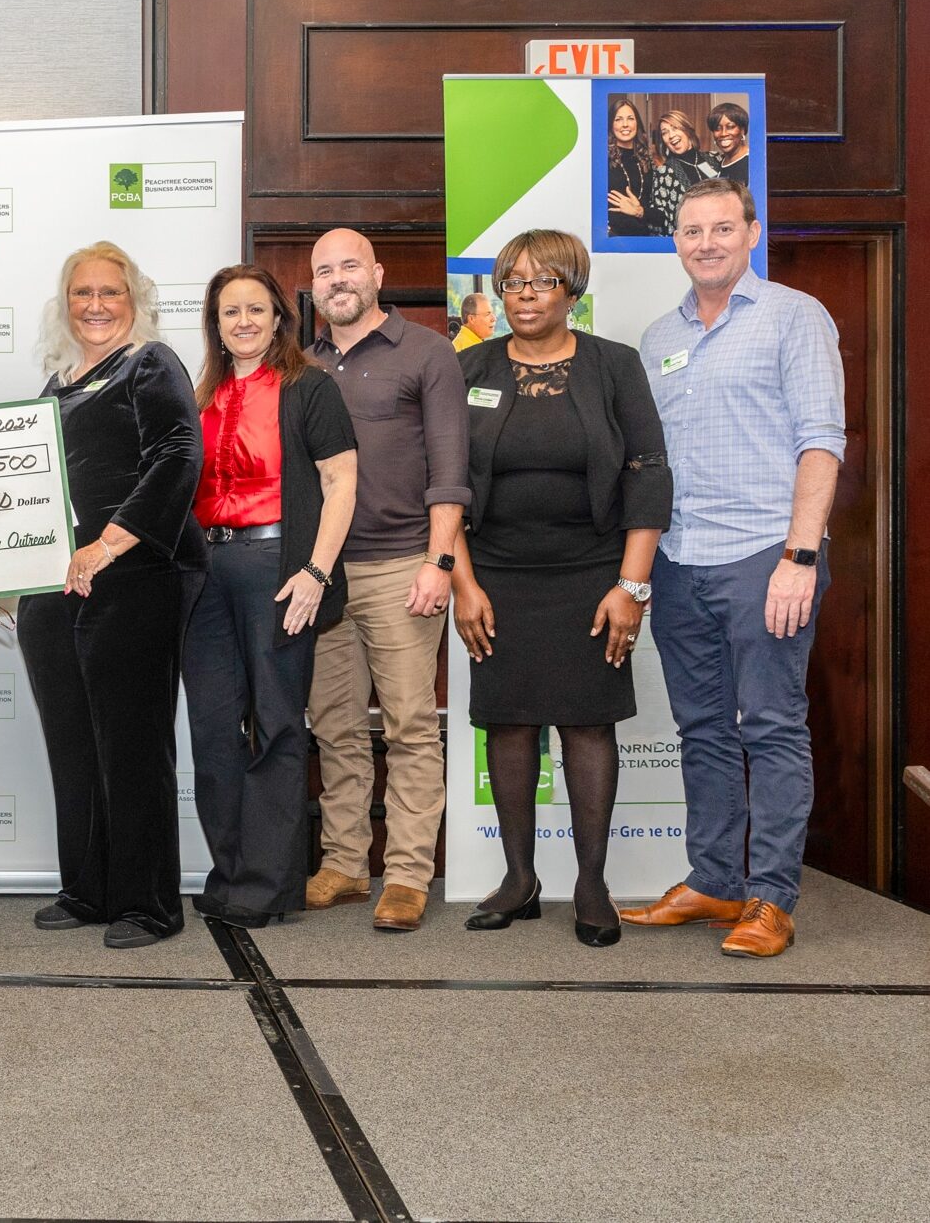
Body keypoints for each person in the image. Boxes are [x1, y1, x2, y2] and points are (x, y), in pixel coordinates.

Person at [624, 179, 843, 957]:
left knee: (773, 726)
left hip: (764, 556)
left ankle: (771, 896)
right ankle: (715, 877)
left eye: (722, 227)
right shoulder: (658, 336)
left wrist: (799, 554)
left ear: (750, 233)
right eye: (690, 229)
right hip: (681, 560)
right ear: (674, 241)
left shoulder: (792, 316)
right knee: (703, 730)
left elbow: (821, 439)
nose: (706, 241)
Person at [450, 230, 671, 947]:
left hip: (591, 575)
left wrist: (629, 586)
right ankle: (519, 879)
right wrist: (463, 584)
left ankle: (591, 882)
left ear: (571, 291)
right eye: (511, 283)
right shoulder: (470, 367)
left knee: (585, 722)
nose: (523, 295)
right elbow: (446, 484)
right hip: (497, 575)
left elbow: (647, 470)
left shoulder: (613, 365)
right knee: (507, 722)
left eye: (540, 282)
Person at [17, 241, 205, 949]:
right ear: (64, 303)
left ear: (134, 301)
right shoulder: (57, 380)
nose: (94, 305)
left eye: (110, 292)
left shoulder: (150, 364)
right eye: (81, 293)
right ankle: (88, 887)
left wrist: (108, 542)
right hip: (56, 589)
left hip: (131, 579)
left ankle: (148, 902)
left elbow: (177, 456)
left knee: (131, 744)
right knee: (72, 743)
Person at [303, 228, 470, 932]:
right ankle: (344, 863)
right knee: (334, 726)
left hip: (403, 563)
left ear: (375, 272)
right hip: (322, 576)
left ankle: (405, 872)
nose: (337, 279)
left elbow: (450, 467)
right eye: (323, 271)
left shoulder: (427, 351)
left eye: (348, 266)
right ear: (311, 287)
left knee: (407, 726)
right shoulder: (300, 363)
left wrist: (440, 561)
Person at [181, 264, 356, 928]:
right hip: (203, 570)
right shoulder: (201, 395)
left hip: (277, 567)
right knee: (212, 729)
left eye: (256, 308)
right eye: (230, 311)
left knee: (278, 724)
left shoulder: (309, 388)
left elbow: (341, 482)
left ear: (279, 318)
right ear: (215, 324)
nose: (243, 321)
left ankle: (270, 882)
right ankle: (229, 873)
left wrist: (315, 572)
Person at [649, 111, 718, 235]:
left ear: (687, 130)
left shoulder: (715, 158)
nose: (671, 135)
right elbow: (663, 221)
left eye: (675, 128)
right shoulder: (665, 173)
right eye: (665, 132)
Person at [605, 99, 660, 238]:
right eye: (618, 119)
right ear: (611, 125)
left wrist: (639, 211)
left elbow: (660, 213)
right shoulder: (602, 159)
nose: (625, 124)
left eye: (630, 118)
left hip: (643, 237)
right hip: (613, 239)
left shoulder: (647, 160)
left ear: (637, 123)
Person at [708, 102, 752, 185]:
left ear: (743, 130)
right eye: (717, 129)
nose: (723, 133)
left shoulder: (753, 162)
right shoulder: (718, 163)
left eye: (730, 127)